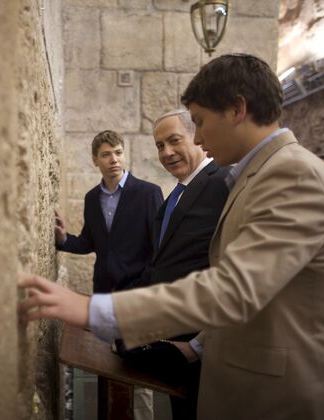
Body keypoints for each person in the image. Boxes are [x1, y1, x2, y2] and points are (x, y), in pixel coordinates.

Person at [20, 54, 324, 419]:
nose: (198, 137)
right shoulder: (258, 175)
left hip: (281, 398)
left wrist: (95, 310)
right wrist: (201, 345)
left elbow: (236, 288)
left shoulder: (293, 175)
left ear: (236, 110)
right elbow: (263, 289)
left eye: (199, 122)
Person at [124, 109, 229, 420]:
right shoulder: (176, 195)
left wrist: (200, 344)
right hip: (174, 340)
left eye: (173, 141)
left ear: (196, 137)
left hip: (207, 346)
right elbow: (163, 264)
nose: (166, 153)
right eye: (159, 146)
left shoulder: (223, 181)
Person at [54, 129, 163, 420]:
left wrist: (143, 286)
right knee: (106, 367)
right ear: (95, 161)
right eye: (106, 154)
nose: (113, 159)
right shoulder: (92, 199)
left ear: (124, 155)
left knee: (140, 374)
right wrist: (64, 239)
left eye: (117, 152)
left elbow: (159, 250)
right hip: (103, 294)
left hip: (137, 296)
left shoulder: (148, 193)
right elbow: (90, 243)